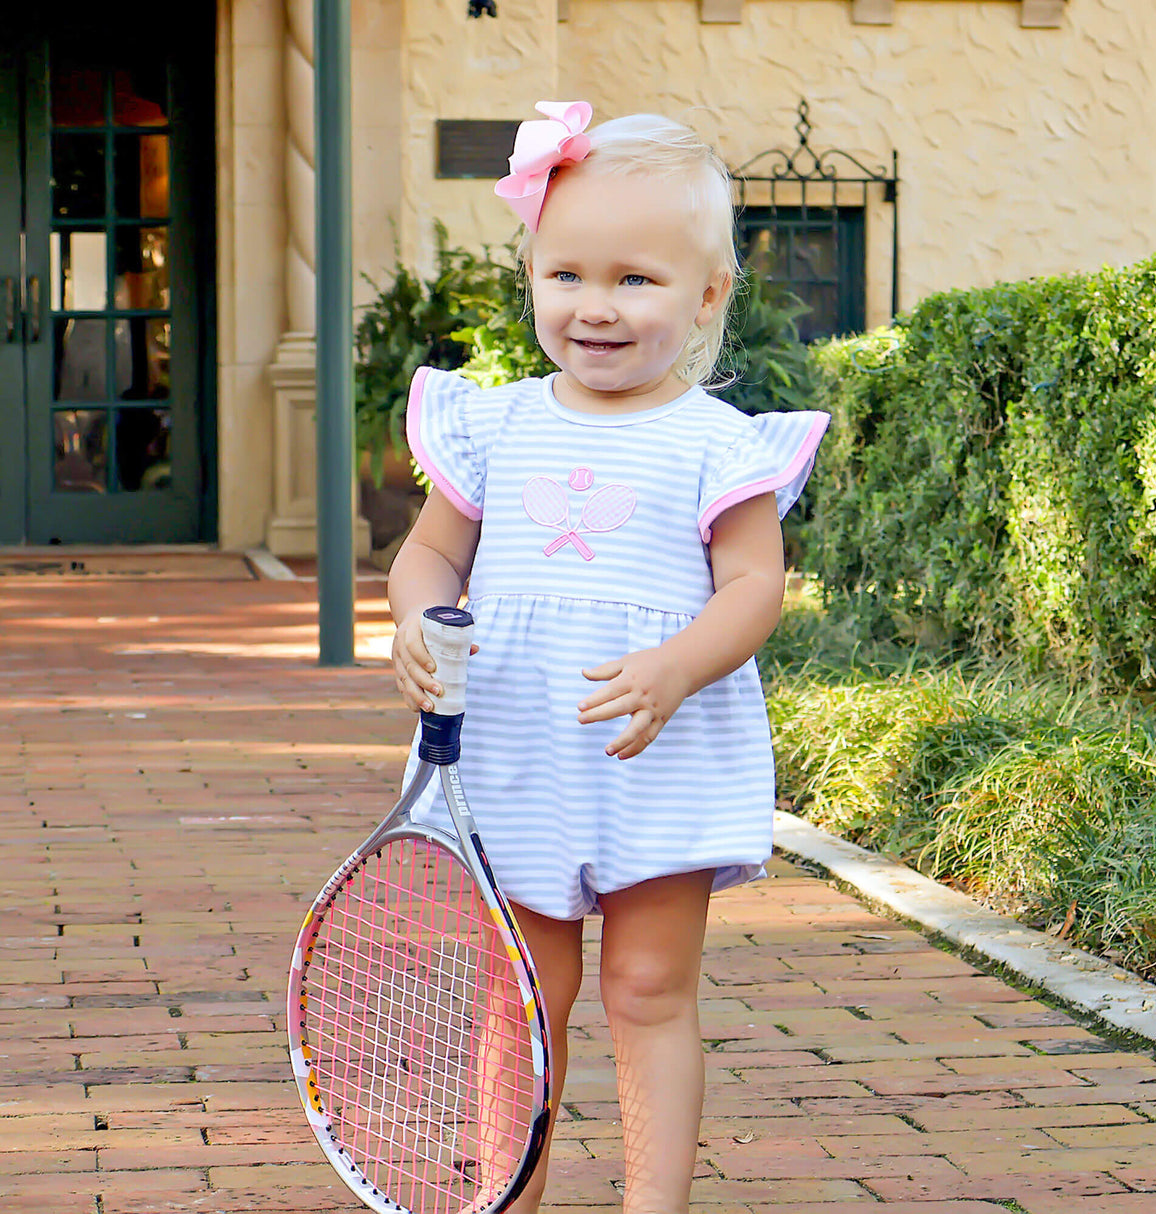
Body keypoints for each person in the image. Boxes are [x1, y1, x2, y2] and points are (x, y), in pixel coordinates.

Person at [387, 100, 830, 1214]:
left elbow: (754, 586)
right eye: (566, 275)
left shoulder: (716, 442)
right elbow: (431, 553)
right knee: (523, 992)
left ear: (707, 296)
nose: (595, 305)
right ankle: (507, 1196)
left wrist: (676, 665)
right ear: (531, 277)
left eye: (636, 279)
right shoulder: (496, 424)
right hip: (518, 750)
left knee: (646, 986)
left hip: (656, 751)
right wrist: (417, 618)